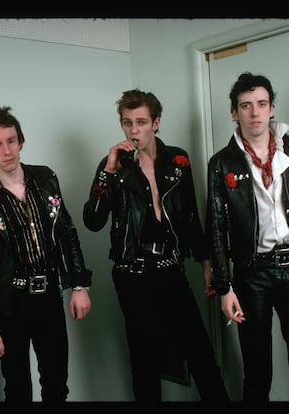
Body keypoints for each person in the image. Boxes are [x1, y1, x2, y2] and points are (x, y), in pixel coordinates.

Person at [83, 88, 229, 403]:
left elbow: (190, 216)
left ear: (156, 122)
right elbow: (93, 220)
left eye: (141, 122)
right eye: (127, 123)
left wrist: (206, 262)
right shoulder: (113, 166)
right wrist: (108, 172)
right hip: (132, 274)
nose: (134, 130)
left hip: (170, 269)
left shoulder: (177, 160)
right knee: (145, 361)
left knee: (200, 353)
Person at [0, 104, 92, 404]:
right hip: (9, 304)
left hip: (48, 296)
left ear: (21, 141)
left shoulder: (45, 178)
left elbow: (67, 232)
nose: (6, 150)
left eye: (11, 140)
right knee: (17, 389)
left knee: (56, 385)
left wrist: (79, 285)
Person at [206, 72, 289, 402]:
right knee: (257, 371)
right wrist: (225, 287)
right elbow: (216, 228)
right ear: (234, 112)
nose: (255, 112)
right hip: (252, 274)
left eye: (262, 104)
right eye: (246, 105)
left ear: (271, 109)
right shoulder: (221, 163)